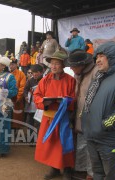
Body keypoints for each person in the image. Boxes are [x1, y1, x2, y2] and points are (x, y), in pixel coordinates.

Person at [81, 41, 115, 179]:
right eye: (96, 57)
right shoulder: (99, 78)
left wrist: (105, 124)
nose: (97, 60)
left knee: (114, 176)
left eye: (101, 56)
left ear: (112, 57)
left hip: (111, 141)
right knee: (98, 174)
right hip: (93, 137)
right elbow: (90, 103)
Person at [33, 50, 76, 180]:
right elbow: (37, 95)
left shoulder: (71, 80)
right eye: (52, 63)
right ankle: (55, 169)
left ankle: (68, 169)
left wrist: (65, 101)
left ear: (63, 65)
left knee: (64, 143)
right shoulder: (45, 80)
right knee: (52, 145)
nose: (54, 66)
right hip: (48, 118)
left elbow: (74, 98)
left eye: (57, 63)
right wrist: (44, 102)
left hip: (63, 117)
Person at [66, 49, 97, 180]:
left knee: (91, 147)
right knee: (81, 144)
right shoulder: (78, 74)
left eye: (73, 66)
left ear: (82, 65)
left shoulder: (96, 73)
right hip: (80, 115)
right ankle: (81, 170)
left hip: (92, 117)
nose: (72, 69)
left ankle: (91, 173)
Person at [23, 64, 43, 145]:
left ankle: (38, 141)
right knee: (29, 122)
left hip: (41, 106)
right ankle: (31, 140)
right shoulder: (30, 81)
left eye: (36, 73)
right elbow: (25, 89)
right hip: (31, 105)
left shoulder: (45, 80)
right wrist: (25, 96)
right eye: (33, 73)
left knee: (39, 123)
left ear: (41, 72)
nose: (34, 74)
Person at [9, 59, 26, 131]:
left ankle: (16, 131)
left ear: (16, 65)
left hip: (17, 99)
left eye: (13, 64)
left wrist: (18, 98)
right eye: (10, 64)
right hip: (8, 98)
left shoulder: (21, 74)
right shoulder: (7, 74)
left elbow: (22, 87)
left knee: (17, 117)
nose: (11, 66)